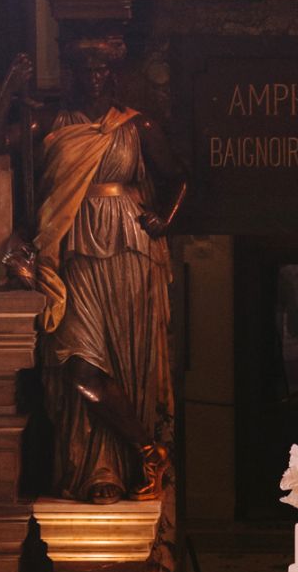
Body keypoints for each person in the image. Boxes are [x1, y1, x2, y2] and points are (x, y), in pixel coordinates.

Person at [28, 33, 184, 502]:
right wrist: (6, 92)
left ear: (112, 76)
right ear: (72, 76)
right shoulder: (52, 124)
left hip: (131, 248)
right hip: (72, 245)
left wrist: (165, 219)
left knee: (127, 355)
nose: (94, 80)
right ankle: (132, 453)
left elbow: (179, 177)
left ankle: (118, 467)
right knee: (79, 362)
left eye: (101, 72)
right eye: (85, 72)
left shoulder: (136, 127)